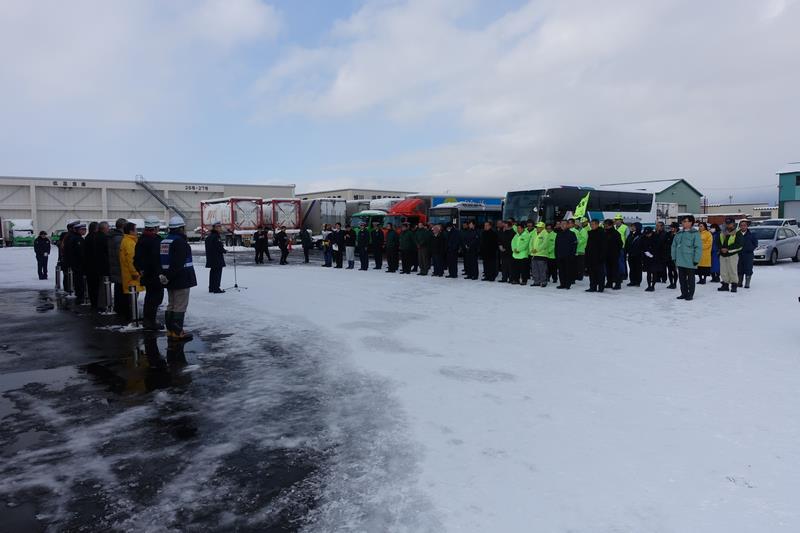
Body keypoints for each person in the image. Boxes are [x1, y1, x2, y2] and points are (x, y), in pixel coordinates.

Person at [160, 216, 197, 342]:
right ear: (181, 228)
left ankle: (170, 330)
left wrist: (165, 276)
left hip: (169, 278)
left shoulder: (165, 241)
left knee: (171, 305)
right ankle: (177, 331)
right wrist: (169, 276)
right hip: (180, 278)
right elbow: (178, 262)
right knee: (180, 306)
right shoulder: (180, 242)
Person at [134, 218, 164, 330]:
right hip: (155, 274)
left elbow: (136, 259)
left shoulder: (141, 240)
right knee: (154, 299)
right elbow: (157, 258)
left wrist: (141, 270)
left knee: (150, 297)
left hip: (147, 274)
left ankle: (149, 320)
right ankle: (150, 322)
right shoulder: (155, 240)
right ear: (155, 228)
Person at [671, 215, 702, 301]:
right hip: (680, 259)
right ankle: (683, 293)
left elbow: (698, 247)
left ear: (691, 222)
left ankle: (690, 294)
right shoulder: (679, 233)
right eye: (683, 221)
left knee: (690, 279)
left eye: (686, 221)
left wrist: (696, 259)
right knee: (682, 278)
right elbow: (674, 246)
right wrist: (674, 257)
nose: (684, 223)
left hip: (690, 260)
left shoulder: (695, 233)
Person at [119, 221, 144, 320]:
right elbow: (131, 259)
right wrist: (135, 273)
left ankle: (131, 315)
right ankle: (133, 317)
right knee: (133, 296)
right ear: (131, 231)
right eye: (136, 230)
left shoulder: (126, 240)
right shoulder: (130, 242)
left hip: (127, 274)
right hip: (132, 275)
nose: (137, 232)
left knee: (131, 296)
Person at [108, 218, 127, 315]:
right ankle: (122, 310)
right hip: (119, 268)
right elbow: (121, 255)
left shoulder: (111, 236)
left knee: (118, 288)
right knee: (121, 290)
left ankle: (119, 308)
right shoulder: (119, 238)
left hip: (114, 266)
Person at [718, 217, 742, 293]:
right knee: (723, 270)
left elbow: (739, 245)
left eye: (730, 223)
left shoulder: (737, 232)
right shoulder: (722, 232)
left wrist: (728, 249)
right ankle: (725, 284)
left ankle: (734, 285)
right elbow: (718, 242)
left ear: (733, 223)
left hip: (732, 254)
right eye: (727, 223)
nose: (728, 225)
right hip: (722, 254)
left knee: (732, 270)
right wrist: (721, 248)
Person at [66, 222, 87, 301]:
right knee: (79, 281)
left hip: (76, 263)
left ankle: (79, 294)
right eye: (82, 229)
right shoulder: (77, 239)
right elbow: (80, 253)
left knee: (78, 280)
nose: (84, 231)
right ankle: (80, 295)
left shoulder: (74, 238)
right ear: (77, 230)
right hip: (78, 264)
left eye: (85, 229)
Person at [204, 222, 227, 293]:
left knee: (213, 273)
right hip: (217, 258)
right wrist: (224, 250)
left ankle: (211, 287)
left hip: (211, 258)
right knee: (217, 273)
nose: (220, 228)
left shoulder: (209, 236)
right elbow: (218, 247)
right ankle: (216, 288)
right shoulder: (216, 236)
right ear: (215, 228)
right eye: (219, 227)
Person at [584, 219, 606, 292]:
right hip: (590, 256)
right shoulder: (590, 233)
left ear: (597, 224)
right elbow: (588, 245)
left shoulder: (602, 233)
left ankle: (601, 287)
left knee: (600, 273)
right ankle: (592, 287)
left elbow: (604, 246)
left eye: (593, 224)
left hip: (599, 257)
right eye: (591, 224)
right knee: (592, 273)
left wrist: (602, 257)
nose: (591, 226)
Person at [555, 220, 577, 289]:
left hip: (568, 256)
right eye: (561, 224)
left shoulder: (572, 234)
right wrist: (556, 254)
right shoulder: (559, 234)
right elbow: (556, 245)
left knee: (568, 271)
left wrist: (572, 255)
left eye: (564, 224)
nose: (562, 225)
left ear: (568, 225)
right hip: (560, 256)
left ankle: (568, 284)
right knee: (561, 271)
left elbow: (574, 245)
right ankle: (562, 284)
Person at [83, 221, 100, 307]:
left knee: (91, 286)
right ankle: (95, 303)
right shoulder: (94, 238)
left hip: (88, 265)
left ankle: (93, 301)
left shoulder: (87, 237)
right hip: (94, 266)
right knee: (95, 286)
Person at [737, 219, 758, 289]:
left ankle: (747, 283)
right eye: (741, 225)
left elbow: (755, 244)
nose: (743, 227)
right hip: (739, 254)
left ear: (747, 226)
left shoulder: (751, 234)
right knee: (739, 268)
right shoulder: (737, 234)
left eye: (744, 225)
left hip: (748, 254)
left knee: (748, 268)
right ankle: (739, 282)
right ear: (739, 226)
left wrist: (750, 248)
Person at [94, 222, 110, 307]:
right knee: (103, 286)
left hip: (98, 264)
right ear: (103, 228)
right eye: (108, 227)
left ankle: (102, 303)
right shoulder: (104, 238)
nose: (109, 229)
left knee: (101, 285)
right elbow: (107, 252)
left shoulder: (97, 237)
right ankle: (104, 304)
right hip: (103, 265)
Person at [641, 227, 662, 292]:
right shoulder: (643, 238)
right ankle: (649, 285)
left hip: (655, 258)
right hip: (646, 258)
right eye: (646, 234)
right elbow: (642, 246)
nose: (647, 235)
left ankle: (653, 286)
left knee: (654, 272)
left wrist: (652, 254)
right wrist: (645, 252)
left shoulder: (656, 238)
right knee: (648, 272)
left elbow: (658, 247)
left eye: (648, 234)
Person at [603, 220, 623, 290]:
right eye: (604, 224)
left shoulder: (615, 233)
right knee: (608, 270)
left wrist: (615, 251)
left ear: (610, 225)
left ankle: (618, 283)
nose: (604, 226)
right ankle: (609, 283)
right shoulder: (604, 232)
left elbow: (620, 244)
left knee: (615, 269)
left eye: (606, 225)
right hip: (606, 254)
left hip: (614, 255)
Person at [530, 222, 549, 287]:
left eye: (539, 227)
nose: (537, 228)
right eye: (537, 227)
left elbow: (545, 244)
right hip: (534, 254)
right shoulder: (534, 233)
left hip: (542, 254)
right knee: (534, 269)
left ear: (542, 228)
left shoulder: (546, 234)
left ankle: (543, 282)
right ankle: (536, 281)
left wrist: (537, 250)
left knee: (542, 269)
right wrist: (531, 249)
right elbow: (531, 242)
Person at [624, 222, 643, 287]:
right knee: (632, 268)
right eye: (631, 226)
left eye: (633, 226)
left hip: (638, 255)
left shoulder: (641, 236)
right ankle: (632, 281)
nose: (632, 228)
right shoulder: (630, 235)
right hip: (631, 255)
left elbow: (642, 246)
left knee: (638, 268)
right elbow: (627, 244)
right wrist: (626, 252)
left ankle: (638, 281)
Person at [614, 214, 630, 280]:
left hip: (622, 248)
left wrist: (626, 247)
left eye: (618, 220)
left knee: (622, 262)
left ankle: (623, 274)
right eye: (616, 220)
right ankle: (617, 273)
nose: (617, 221)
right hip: (614, 247)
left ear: (621, 220)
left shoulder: (625, 227)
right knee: (616, 262)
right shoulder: (614, 227)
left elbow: (627, 238)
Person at [665, 222, 679, 289]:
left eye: (673, 227)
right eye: (671, 227)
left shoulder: (679, 234)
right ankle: (671, 283)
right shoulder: (668, 234)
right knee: (669, 270)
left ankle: (675, 283)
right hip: (668, 254)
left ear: (676, 228)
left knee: (674, 270)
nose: (671, 228)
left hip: (676, 255)